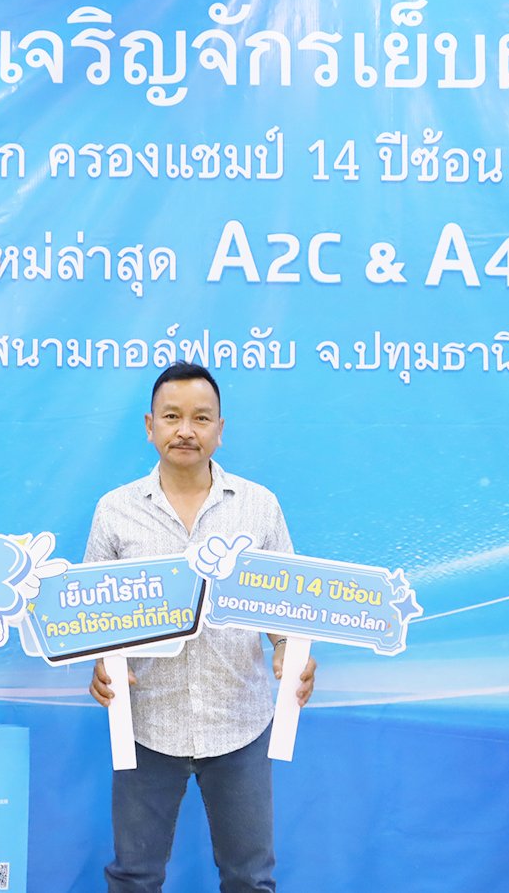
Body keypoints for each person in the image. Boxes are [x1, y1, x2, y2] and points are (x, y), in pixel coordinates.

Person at [87, 361, 318, 893]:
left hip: (240, 720)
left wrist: (290, 650)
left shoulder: (259, 507)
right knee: (133, 877)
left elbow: (286, 609)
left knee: (250, 878)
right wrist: (99, 664)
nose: (185, 430)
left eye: (200, 418)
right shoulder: (115, 511)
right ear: (150, 427)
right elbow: (92, 618)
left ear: (220, 428)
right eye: (171, 417)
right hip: (147, 722)